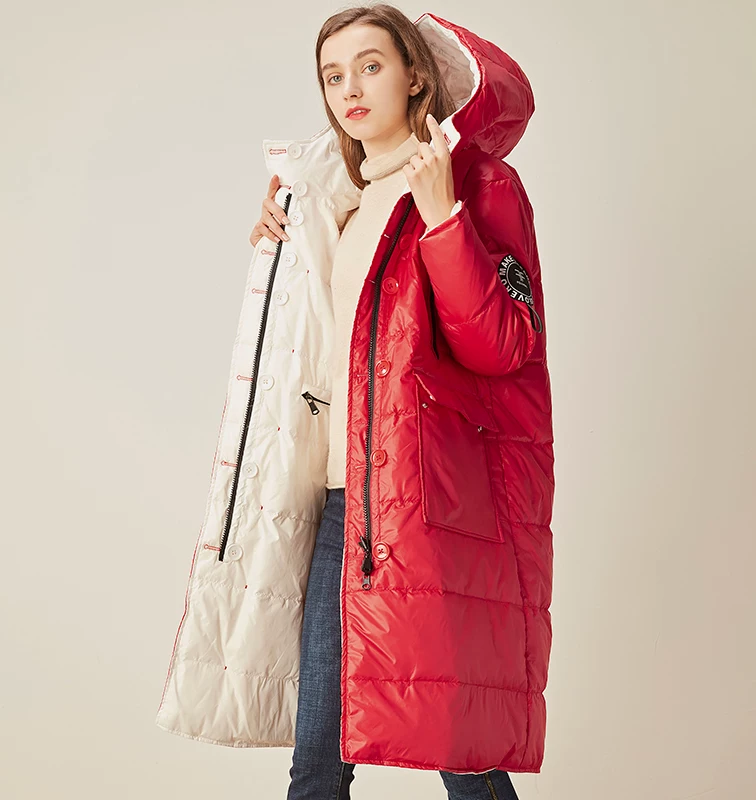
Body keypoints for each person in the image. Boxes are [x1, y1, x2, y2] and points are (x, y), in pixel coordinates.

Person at [155, 6, 554, 799]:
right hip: (341, 508)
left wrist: (442, 215)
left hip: (424, 511)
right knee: (317, 760)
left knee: (462, 753)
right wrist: (286, 236)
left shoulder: (478, 184)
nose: (350, 89)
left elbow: (505, 343)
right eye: (333, 76)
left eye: (370, 66)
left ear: (415, 77)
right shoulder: (335, 201)